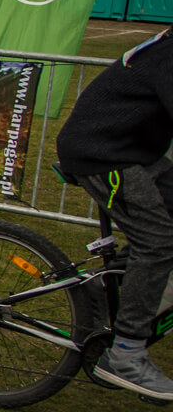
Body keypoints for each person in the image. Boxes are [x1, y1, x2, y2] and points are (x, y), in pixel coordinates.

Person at [56, 27, 173, 401]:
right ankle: (126, 354)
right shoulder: (169, 54)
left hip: (137, 152)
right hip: (103, 154)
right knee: (158, 241)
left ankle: (105, 284)